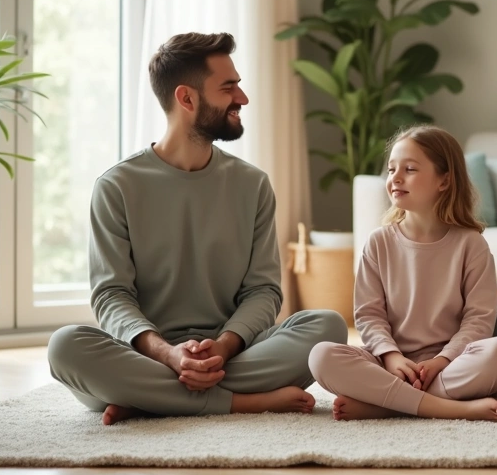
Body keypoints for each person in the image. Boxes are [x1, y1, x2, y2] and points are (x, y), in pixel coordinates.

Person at [47, 32, 347, 425]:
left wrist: (222, 347)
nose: (243, 98)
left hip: (235, 352)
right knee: (65, 346)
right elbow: (111, 295)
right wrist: (168, 354)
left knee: (328, 326)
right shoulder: (117, 186)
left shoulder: (252, 184)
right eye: (229, 87)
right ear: (186, 99)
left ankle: (147, 400)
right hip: (146, 354)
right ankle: (239, 401)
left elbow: (263, 291)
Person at [308, 126, 497, 423]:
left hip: (450, 363)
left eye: (410, 169)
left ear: (444, 180)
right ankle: (449, 408)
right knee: (321, 356)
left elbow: (479, 319)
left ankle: (386, 405)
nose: (395, 177)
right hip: (388, 361)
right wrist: (392, 357)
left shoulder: (471, 244)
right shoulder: (379, 242)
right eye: (392, 169)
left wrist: (442, 360)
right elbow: (369, 315)